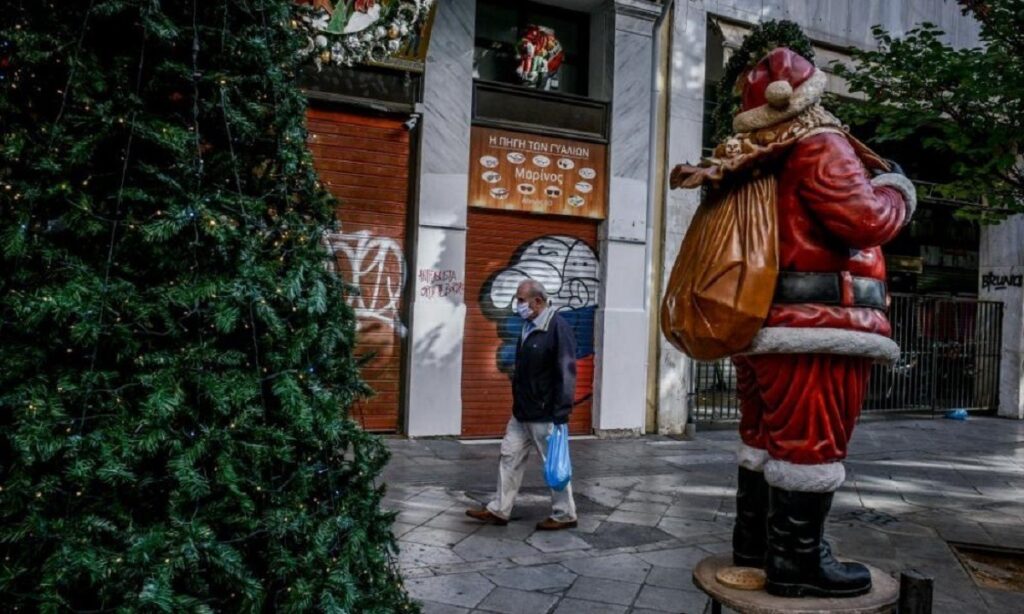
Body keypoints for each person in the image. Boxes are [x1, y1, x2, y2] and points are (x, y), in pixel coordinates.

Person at [667, 46, 915, 598]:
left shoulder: (753, 154)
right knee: (810, 446)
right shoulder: (820, 144)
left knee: (763, 439)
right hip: (817, 326)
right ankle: (798, 563)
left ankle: (753, 545)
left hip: (760, 323)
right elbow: (866, 220)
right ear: (808, 96)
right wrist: (899, 189)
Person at [466, 279, 578, 530]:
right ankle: (500, 509)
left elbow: (567, 371)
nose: (517, 305)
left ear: (537, 301)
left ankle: (565, 513)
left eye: (520, 299)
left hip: (545, 413)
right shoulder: (528, 325)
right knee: (509, 456)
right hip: (521, 412)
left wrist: (561, 411)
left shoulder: (558, 328)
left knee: (554, 465)